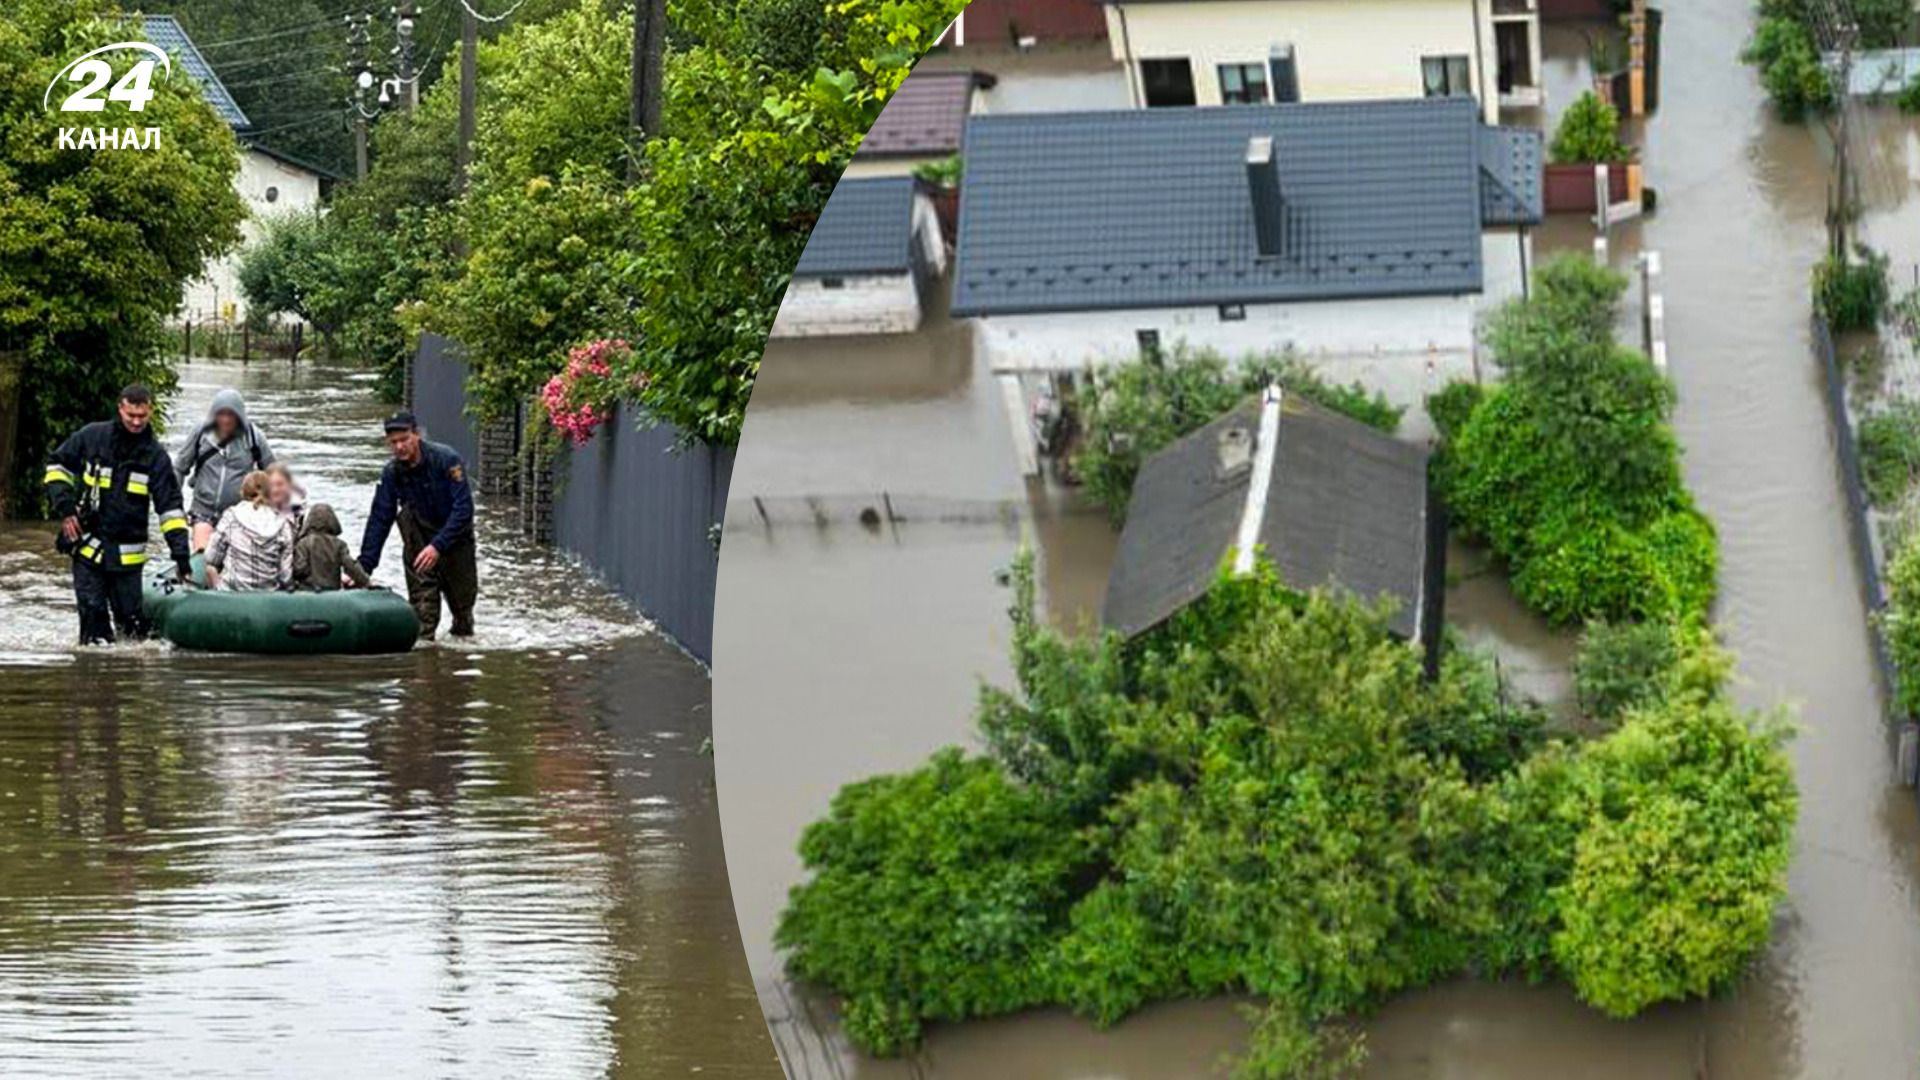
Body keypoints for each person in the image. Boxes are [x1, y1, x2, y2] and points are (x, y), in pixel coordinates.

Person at [43, 383, 194, 645]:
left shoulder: (155, 458)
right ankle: (94, 678)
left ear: (150, 412)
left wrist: (181, 557)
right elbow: (57, 466)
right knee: (93, 621)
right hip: (89, 549)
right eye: (131, 416)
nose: (136, 422)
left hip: (127, 560)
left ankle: (127, 679)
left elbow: (170, 509)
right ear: (120, 409)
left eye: (142, 416)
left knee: (132, 629)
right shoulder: (92, 437)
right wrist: (66, 510)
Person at [359, 412, 476, 640]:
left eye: (404, 439)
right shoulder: (392, 473)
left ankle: (459, 671)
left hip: (455, 543)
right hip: (418, 546)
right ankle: (423, 670)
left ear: (416, 435)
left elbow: (464, 510)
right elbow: (380, 518)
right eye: (394, 442)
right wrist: (364, 567)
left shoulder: (447, 460)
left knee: (463, 617)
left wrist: (438, 546)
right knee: (423, 619)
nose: (400, 446)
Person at [174, 388, 274, 552]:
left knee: (233, 559)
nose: (226, 420)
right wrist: (175, 506)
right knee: (204, 556)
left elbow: (272, 472)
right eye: (221, 414)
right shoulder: (201, 432)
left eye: (231, 415)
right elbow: (179, 467)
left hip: (239, 513)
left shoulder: (253, 437)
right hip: (203, 510)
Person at [205, 470, 294, 592]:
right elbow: (286, 574)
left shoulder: (231, 516)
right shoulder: (282, 522)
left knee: (210, 568)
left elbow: (211, 557)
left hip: (231, 591)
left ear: (244, 491)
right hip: (269, 592)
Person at [292, 504, 371, 592]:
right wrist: (367, 582)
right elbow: (351, 567)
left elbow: (299, 569)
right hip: (332, 592)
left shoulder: (303, 544)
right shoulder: (339, 545)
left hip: (308, 591)